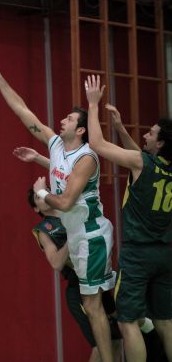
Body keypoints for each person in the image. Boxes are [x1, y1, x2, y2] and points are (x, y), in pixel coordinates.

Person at [0, 44, 115, 362]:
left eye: (69, 119)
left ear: (80, 130)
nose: (62, 121)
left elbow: (67, 201)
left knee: (94, 308)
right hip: (78, 234)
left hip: (91, 235)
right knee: (94, 307)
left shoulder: (87, 158)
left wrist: (41, 195)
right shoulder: (56, 144)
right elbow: (21, 109)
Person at [85, 74, 172, 362]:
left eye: (151, 133)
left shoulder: (141, 163)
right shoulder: (160, 165)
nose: (146, 135)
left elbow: (97, 143)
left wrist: (93, 105)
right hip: (166, 254)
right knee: (165, 321)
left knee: (127, 321)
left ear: (159, 144)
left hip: (138, 254)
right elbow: (141, 157)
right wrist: (121, 129)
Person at [28, 186, 122, 362]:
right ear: (36, 208)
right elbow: (56, 262)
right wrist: (73, 237)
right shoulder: (44, 230)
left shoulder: (71, 212)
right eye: (37, 196)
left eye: (44, 191)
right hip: (78, 289)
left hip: (97, 282)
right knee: (99, 345)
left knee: (116, 339)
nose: (42, 195)